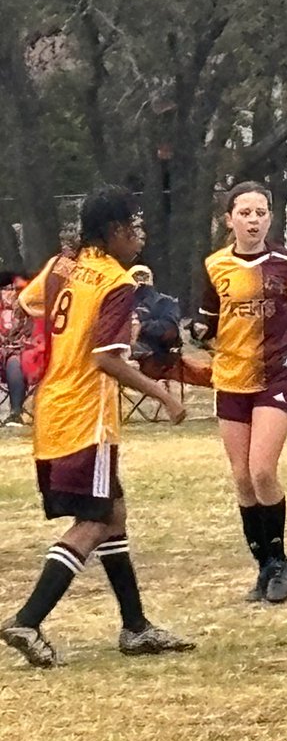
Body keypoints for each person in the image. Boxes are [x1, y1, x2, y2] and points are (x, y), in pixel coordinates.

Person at [0, 185, 193, 668]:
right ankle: (28, 619)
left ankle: (135, 626)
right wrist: (165, 395)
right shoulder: (115, 281)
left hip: (53, 408)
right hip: (87, 416)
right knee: (95, 521)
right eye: (136, 227)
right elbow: (107, 360)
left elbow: (27, 306)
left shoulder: (61, 265)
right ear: (114, 231)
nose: (141, 236)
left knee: (115, 512)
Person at [192, 181, 287, 605]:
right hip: (231, 378)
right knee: (242, 479)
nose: (253, 220)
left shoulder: (286, 263)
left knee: (262, 471)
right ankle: (264, 568)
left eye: (260, 212)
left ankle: (281, 562)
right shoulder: (214, 265)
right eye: (244, 212)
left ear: (270, 217)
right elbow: (208, 319)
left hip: (277, 375)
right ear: (229, 219)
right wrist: (197, 332)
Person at [0, 275, 45, 427]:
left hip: (23, 352)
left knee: (15, 362)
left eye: (17, 289)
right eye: (7, 289)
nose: (11, 292)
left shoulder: (34, 304)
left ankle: (15, 413)